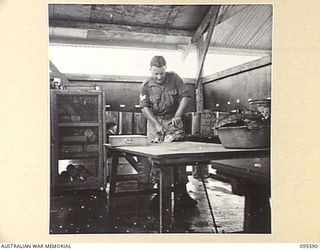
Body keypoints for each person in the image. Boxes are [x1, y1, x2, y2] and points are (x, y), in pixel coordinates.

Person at [139, 55, 197, 208]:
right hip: (154, 122)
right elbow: (145, 108)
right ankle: (160, 195)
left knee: (179, 158)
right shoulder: (145, 85)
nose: (159, 77)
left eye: (161, 73)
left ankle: (182, 194)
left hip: (173, 120)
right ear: (150, 70)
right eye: (155, 73)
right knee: (158, 159)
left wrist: (178, 116)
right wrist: (157, 125)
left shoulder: (175, 78)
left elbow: (185, 96)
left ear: (166, 69)